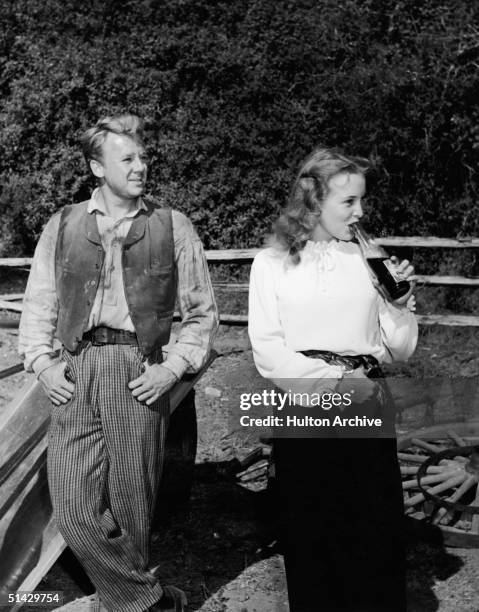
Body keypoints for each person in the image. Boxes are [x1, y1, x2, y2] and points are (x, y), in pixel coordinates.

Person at [19, 113, 218, 612]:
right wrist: (43, 365)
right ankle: (150, 601)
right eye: (127, 158)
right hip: (75, 367)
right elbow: (39, 303)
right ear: (96, 166)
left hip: (139, 370)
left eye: (143, 156)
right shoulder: (63, 223)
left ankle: (125, 605)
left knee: (131, 506)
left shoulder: (171, 224)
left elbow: (201, 313)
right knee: (72, 509)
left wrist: (171, 369)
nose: (141, 166)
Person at [248, 148, 417, 612]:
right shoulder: (271, 263)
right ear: (313, 199)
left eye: (362, 200)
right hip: (307, 410)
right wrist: (338, 384)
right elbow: (268, 350)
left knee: (374, 533)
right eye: (349, 202)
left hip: (369, 408)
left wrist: (400, 305)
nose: (361, 212)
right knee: (312, 534)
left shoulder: (370, 260)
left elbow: (400, 349)